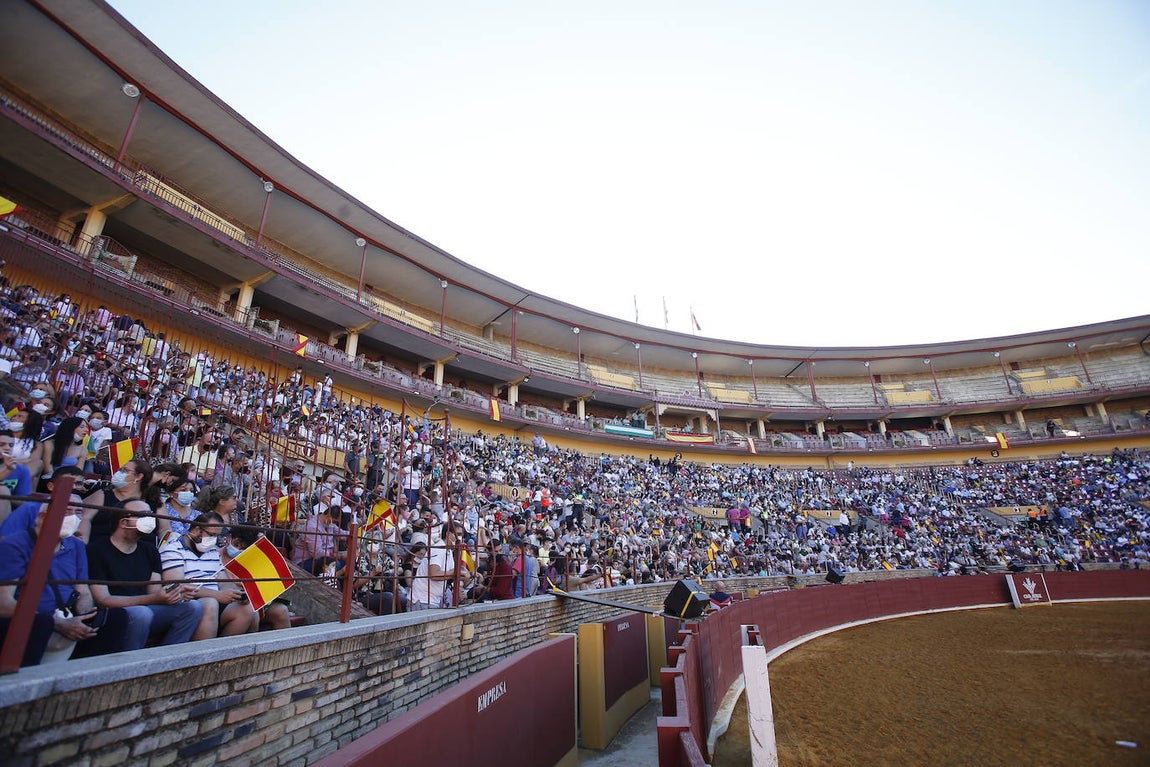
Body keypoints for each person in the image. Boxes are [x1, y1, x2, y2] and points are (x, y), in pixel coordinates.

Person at [0, 496, 139, 666]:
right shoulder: (14, 546)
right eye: (67, 511)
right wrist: (57, 622)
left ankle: (93, 676)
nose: (73, 517)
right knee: (41, 623)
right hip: (32, 619)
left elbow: (83, 590)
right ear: (43, 516)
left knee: (115, 617)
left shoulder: (76, 545)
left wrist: (84, 618)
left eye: (78, 512)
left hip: (66, 612)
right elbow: (3, 602)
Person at [86, 507, 203, 646]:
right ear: (124, 522)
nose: (150, 519)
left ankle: (168, 658)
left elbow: (154, 592)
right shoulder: (96, 550)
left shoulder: (149, 550)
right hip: (113, 614)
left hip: (146, 609)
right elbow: (103, 600)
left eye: (151, 514)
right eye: (144, 515)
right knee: (141, 614)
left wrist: (175, 593)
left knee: (193, 607)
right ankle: (133, 663)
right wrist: (153, 598)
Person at [161, 512, 257, 639]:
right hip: (188, 602)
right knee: (210, 603)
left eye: (217, 536)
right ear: (196, 530)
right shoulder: (172, 549)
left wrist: (236, 593)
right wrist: (217, 595)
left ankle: (224, 654)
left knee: (248, 609)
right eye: (211, 535)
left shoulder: (211, 551)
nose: (214, 540)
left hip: (215, 600)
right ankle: (205, 654)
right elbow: (176, 585)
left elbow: (221, 579)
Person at [219, 525, 293, 629]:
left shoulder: (256, 558)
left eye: (244, 547)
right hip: (228, 602)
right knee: (250, 612)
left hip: (254, 602)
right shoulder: (216, 555)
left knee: (281, 610)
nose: (239, 548)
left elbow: (267, 586)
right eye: (236, 544)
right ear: (230, 537)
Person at [409, 522, 462, 610]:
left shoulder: (447, 551)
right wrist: (458, 571)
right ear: (448, 534)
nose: (461, 538)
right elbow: (434, 574)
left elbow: (452, 572)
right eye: (458, 534)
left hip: (431, 600)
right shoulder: (439, 550)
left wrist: (468, 573)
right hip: (422, 601)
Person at [292, 505, 344, 576]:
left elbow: (341, 533)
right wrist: (337, 555)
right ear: (328, 516)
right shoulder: (312, 526)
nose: (334, 524)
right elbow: (317, 553)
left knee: (344, 563)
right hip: (305, 561)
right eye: (334, 521)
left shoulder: (329, 524)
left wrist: (355, 535)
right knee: (338, 564)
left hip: (323, 558)